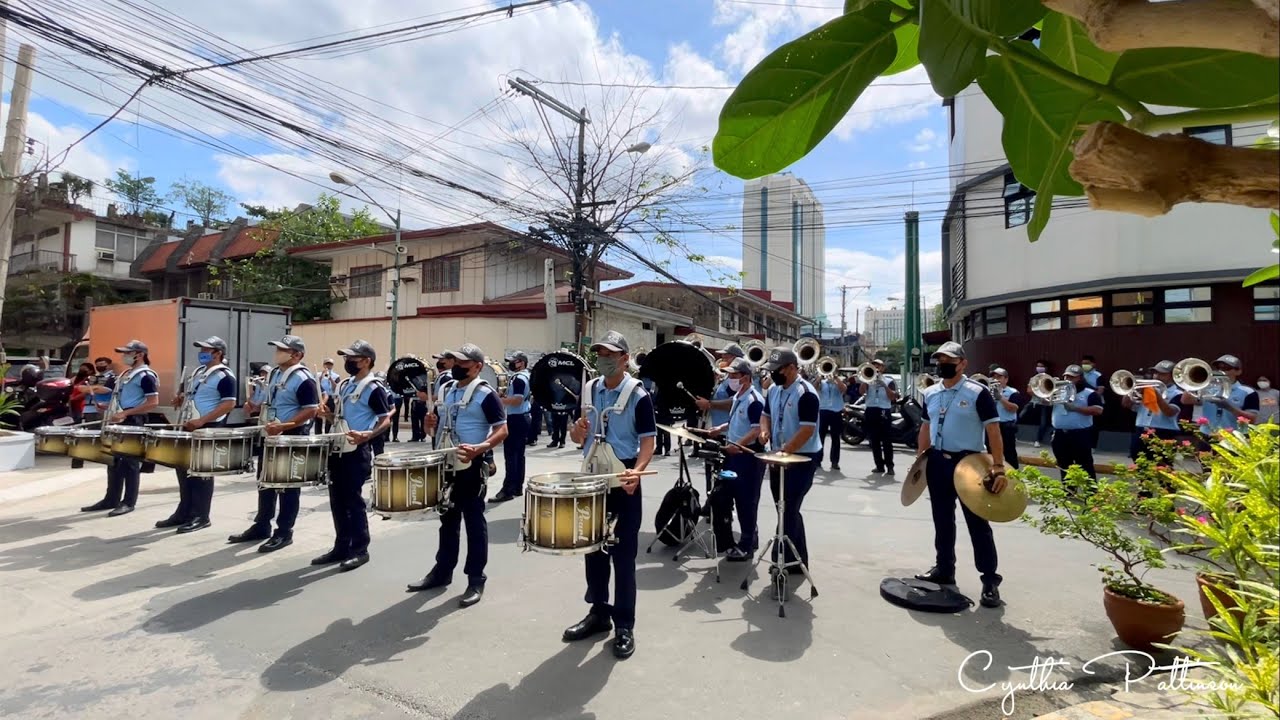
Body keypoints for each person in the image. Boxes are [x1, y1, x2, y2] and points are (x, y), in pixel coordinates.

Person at [562, 331, 654, 660]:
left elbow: (648, 441)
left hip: (624, 477)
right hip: (593, 479)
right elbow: (577, 437)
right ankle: (599, 612)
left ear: (624, 359)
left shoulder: (638, 395)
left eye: (610, 353)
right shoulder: (590, 389)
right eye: (599, 352)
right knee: (593, 551)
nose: (603, 358)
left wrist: (638, 471)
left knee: (623, 557)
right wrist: (577, 432)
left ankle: (624, 624)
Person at [409, 344, 508, 608]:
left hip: (470, 465)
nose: (456, 366)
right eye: (454, 361)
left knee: (474, 522)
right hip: (445, 463)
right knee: (447, 519)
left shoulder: (486, 394)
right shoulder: (445, 390)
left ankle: (476, 578)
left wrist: (481, 448)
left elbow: (502, 430)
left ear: (477, 366)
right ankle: (442, 571)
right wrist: (427, 426)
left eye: (463, 362)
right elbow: (436, 427)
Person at [913, 341, 1006, 609]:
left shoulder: (978, 393)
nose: (943, 364)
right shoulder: (930, 392)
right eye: (940, 359)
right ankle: (944, 568)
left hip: (970, 465)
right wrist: (920, 461)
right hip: (938, 463)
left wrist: (998, 467)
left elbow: (993, 431)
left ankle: (989, 580)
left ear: (962, 363)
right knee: (942, 519)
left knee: (978, 524)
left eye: (949, 360)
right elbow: (925, 428)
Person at [228, 335, 319, 553]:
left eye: (283, 349)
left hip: (291, 436)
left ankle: (284, 531)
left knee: (287, 486)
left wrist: (285, 426)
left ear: (297, 354)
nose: (277, 352)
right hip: (271, 434)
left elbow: (311, 409)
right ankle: (262, 525)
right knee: (265, 482)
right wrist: (257, 409)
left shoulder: (304, 378)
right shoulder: (276, 373)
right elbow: (275, 402)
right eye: (277, 348)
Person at [313, 340, 391, 571]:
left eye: (352, 358)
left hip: (356, 450)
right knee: (337, 501)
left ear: (366, 361)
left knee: (353, 502)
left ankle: (359, 549)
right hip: (337, 447)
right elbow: (338, 417)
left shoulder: (373, 387)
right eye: (346, 358)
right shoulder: (345, 385)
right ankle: (341, 545)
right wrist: (326, 415)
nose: (348, 362)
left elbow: (385, 418)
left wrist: (367, 435)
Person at [157, 337, 236, 533]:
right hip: (189, 425)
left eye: (206, 349)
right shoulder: (198, 372)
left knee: (201, 473)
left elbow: (228, 404)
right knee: (184, 469)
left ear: (217, 353)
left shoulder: (225, 376)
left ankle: (201, 515)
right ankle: (184, 511)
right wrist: (181, 397)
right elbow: (195, 395)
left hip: (207, 427)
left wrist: (202, 420)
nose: (202, 352)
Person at [759, 346, 821, 576]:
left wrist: (783, 451)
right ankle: (798, 560)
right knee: (784, 509)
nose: (774, 374)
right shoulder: (774, 390)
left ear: (793, 368)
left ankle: (780, 560)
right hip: (778, 457)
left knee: (789, 509)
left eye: (778, 370)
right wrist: (764, 432)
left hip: (802, 458)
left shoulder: (806, 393)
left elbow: (807, 430)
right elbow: (765, 416)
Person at [81, 341, 158, 516]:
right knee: (113, 461)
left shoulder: (146, 375)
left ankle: (128, 501)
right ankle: (111, 498)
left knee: (130, 462)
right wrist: (106, 407)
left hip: (133, 420)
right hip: (118, 418)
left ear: (139, 354)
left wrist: (126, 414)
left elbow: (152, 402)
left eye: (127, 352)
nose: (124, 356)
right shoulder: (125, 373)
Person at [708, 358, 765, 562]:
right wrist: (720, 429)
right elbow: (734, 420)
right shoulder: (738, 397)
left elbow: (757, 429)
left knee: (746, 502)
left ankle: (746, 545)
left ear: (746, 378)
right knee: (724, 496)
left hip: (747, 456)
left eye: (734, 376)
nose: (730, 379)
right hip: (734, 454)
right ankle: (746, 538)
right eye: (729, 375)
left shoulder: (754, 400)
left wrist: (738, 444)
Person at [1050, 365, 1104, 480]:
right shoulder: (1057, 391)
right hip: (1060, 434)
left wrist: (1076, 409)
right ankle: (1069, 492)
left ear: (1079, 378)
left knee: (1085, 464)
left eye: (1072, 377)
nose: (1068, 379)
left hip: (1080, 434)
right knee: (1064, 464)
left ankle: (1090, 494)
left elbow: (1098, 410)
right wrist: (1049, 389)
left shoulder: (1089, 393)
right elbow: (1044, 402)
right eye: (1066, 376)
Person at [1122, 360, 1182, 461]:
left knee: (1162, 465)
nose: (1156, 376)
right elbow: (1126, 404)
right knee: (1138, 461)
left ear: (1172, 376)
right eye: (1155, 373)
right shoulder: (1146, 390)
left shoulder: (1177, 394)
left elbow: (1169, 412)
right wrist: (1131, 390)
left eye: (1162, 374)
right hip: (1141, 429)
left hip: (1164, 432)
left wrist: (1156, 395)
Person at [1186, 354, 1259, 436]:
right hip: (1207, 433)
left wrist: (1229, 407)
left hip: (1234, 435)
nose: (1221, 371)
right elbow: (1185, 400)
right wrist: (1194, 381)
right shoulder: (1208, 388)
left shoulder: (1248, 392)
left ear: (1238, 371)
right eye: (1219, 368)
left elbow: (1252, 420)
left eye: (1226, 368)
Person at [493, 351, 531, 503]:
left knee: (511, 455)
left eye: (514, 361)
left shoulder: (519, 379)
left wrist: (499, 400)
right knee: (519, 455)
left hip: (516, 418)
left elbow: (517, 400)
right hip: (524, 417)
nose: (511, 364)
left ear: (521, 362)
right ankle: (517, 487)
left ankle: (508, 489)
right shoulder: (526, 376)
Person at [860, 358, 899, 474]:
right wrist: (864, 380)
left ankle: (890, 466)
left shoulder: (888, 381)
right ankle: (879, 465)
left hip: (884, 410)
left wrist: (884, 386)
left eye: (878, 366)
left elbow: (892, 397)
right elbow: (861, 392)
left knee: (887, 440)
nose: (876, 369)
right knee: (874, 440)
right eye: (874, 366)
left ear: (883, 368)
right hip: (871, 409)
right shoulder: (868, 380)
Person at [990, 368, 1023, 469]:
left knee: (1009, 453)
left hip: (1006, 426)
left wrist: (1000, 397)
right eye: (994, 377)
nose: (996, 379)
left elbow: (1013, 409)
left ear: (1006, 379)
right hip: (992, 425)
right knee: (991, 453)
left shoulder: (1012, 392)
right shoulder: (987, 391)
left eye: (999, 377)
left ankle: (1014, 476)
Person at [817, 369, 847, 471]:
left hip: (836, 411)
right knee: (820, 437)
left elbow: (843, 389)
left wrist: (836, 378)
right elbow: (814, 388)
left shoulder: (839, 381)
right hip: (823, 410)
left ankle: (835, 462)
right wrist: (819, 377)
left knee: (835, 438)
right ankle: (817, 460)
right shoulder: (822, 382)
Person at [1028, 359, 1053, 448]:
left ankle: (1037, 440)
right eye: (1038, 366)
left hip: (1045, 404)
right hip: (1034, 402)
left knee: (1043, 423)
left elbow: (1051, 391)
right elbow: (1029, 391)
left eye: (1042, 366)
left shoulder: (1050, 378)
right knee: (1021, 415)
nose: (1039, 368)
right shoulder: (1033, 378)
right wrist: (1040, 394)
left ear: (1046, 368)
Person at [318, 359, 340, 433]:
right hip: (321, 398)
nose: (328, 366)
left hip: (330, 398)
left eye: (330, 364)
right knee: (319, 417)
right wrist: (322, 376)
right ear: (324, 365)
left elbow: (336, 388)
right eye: (327, 364)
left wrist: (331, 379)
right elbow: (316, 385)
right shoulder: (318, 374)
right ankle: (318, 432)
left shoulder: (336, 376)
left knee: (330, 417)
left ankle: (329, 432)